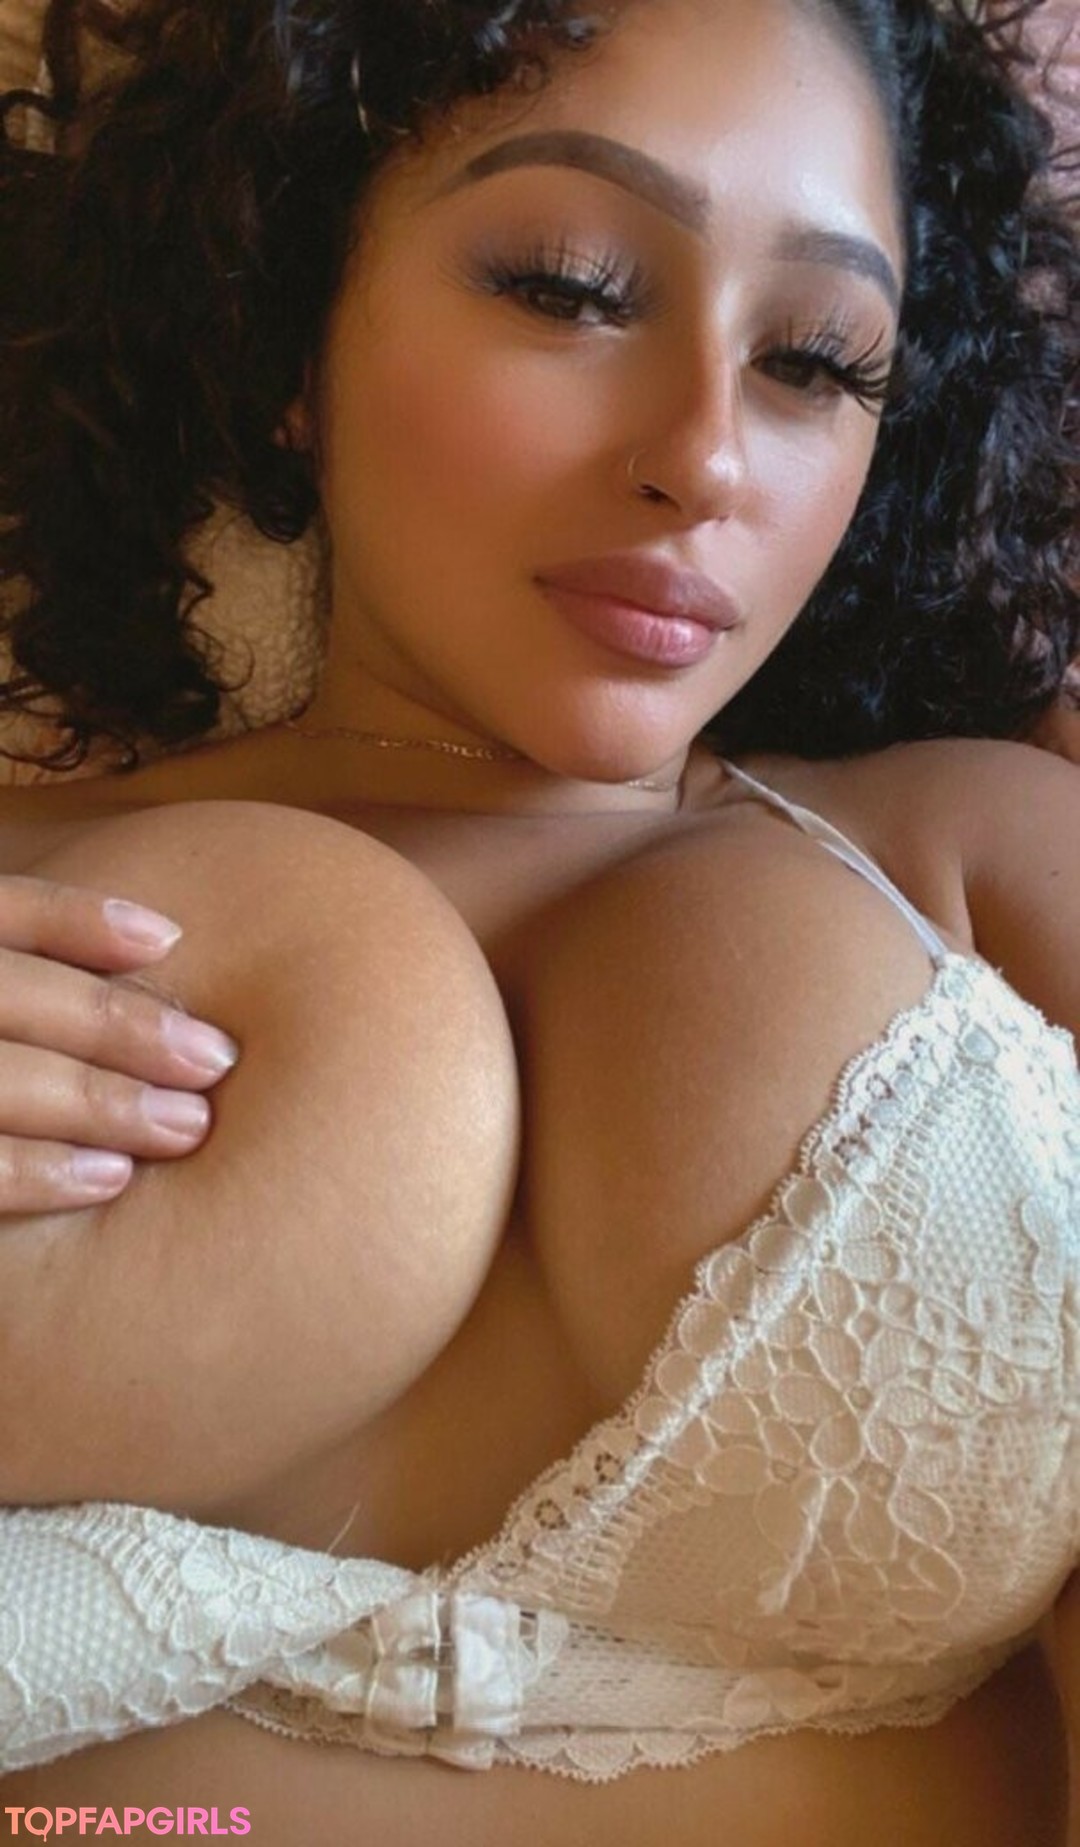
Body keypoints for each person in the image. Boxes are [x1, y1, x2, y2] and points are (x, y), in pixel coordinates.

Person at [0, 1, 1077, 1843]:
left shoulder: (975, 864)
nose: (706, 457)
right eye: (569, 288)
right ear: (291, 327)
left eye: (815, 359)